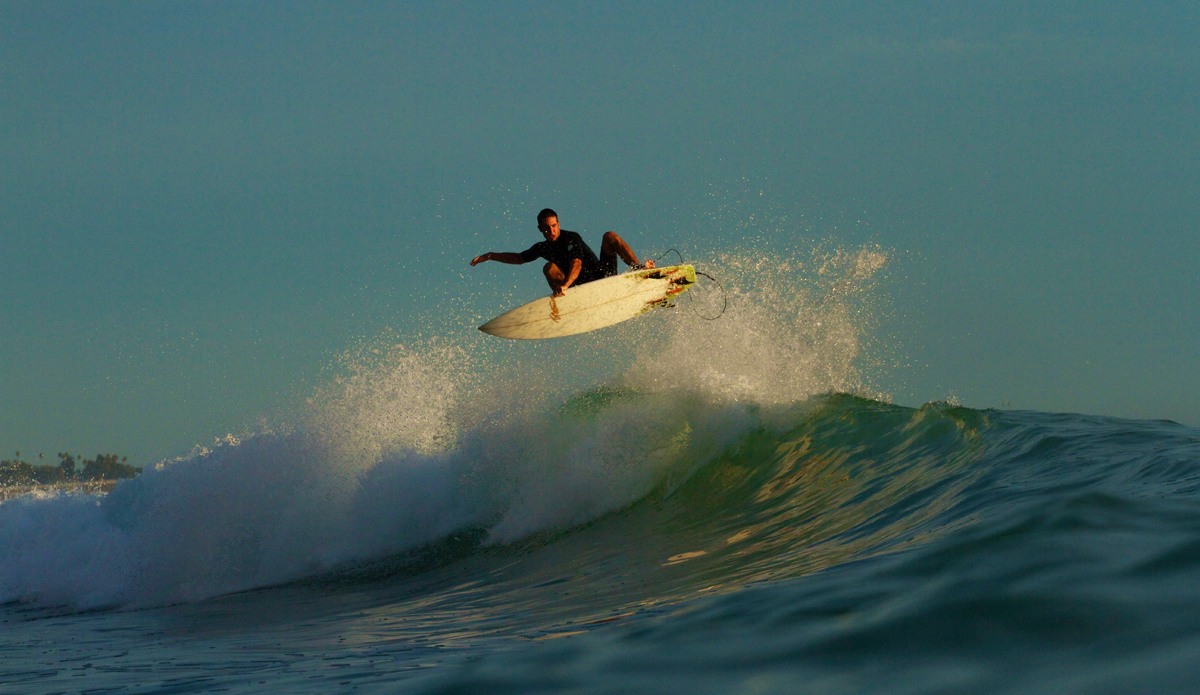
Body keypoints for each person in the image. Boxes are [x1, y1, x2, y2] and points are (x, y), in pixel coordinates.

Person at [470, 208, 655, 297]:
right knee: (548, 267)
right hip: (576, 290)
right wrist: (490, 256)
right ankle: (562, 299)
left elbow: (577, 263)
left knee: (609, 236)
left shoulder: (571, 237)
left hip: (602, 276)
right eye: (546, 228)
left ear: (558, 224)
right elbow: (519, 258)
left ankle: (638, 269)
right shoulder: (542, 247)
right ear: (540, 229)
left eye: (553, 226)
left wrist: (566, 283)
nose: (551, 231)